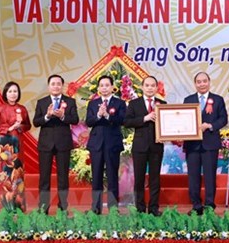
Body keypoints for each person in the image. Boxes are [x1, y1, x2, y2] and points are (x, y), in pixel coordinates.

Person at [183, 72, 228, 215]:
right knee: (193, 177)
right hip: (192, 145)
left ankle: (209, 206)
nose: (202, 84)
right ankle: (196, 206)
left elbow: (223, 119)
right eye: (199, 81)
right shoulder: (188, 100)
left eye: (204, 81)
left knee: (210, 177)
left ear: (209, 82)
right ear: (195, 84)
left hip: (210, 143)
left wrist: (210, 126)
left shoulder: (218, 99)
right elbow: (183, 119)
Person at [33, 74, 79, 214]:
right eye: (53, 84)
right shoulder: (42, 102)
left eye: (58, 84)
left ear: (62, 86)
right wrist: (47, 116)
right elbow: (36, 122)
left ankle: (63, 207)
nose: (56, 86)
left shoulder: (70, 101)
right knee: (44, 178)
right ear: (49, 86)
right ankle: (43, 208)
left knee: (63, 178)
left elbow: (75, 120)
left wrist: (62, 116)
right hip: (46, 143)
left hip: (63, 143)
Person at [0, 81, 32, 213]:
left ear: (18, 93)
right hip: (2, 144)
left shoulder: (22, 109)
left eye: (15, 91)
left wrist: (20, 127)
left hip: (17, 142)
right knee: (2, 173)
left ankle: (17, 205)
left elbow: (28, 125)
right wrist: (8, 129)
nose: (13, 94)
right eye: (10, 91)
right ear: (5, 94)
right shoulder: (0, 108)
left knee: (17, 173)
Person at [124, 75, 165, 216]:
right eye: (147, 85)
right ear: (142, 87)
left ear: (157, 88)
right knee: (139, 179)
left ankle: (153, 208)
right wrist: (144, 118)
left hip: (157, 146)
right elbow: (127, 122)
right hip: (140, 146)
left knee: (155, 179)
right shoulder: (134, 104)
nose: (150, 88)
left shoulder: (162, 103)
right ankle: (140, 208)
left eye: (152, 85)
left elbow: (167, 123)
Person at [85, 75, 126, 214]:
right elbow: (88, 122)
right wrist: (98, 115)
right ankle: (95, 208)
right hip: (96, 144)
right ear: (98, 88)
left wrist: (108, 115)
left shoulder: (119, 103)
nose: (104, 88)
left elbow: (123, 120)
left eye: (107, 85)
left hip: (112, 144)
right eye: (102, 85)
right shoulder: (93, 103)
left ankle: (113, 208)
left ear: (112, 87)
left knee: (112, 176)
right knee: (96, 176)